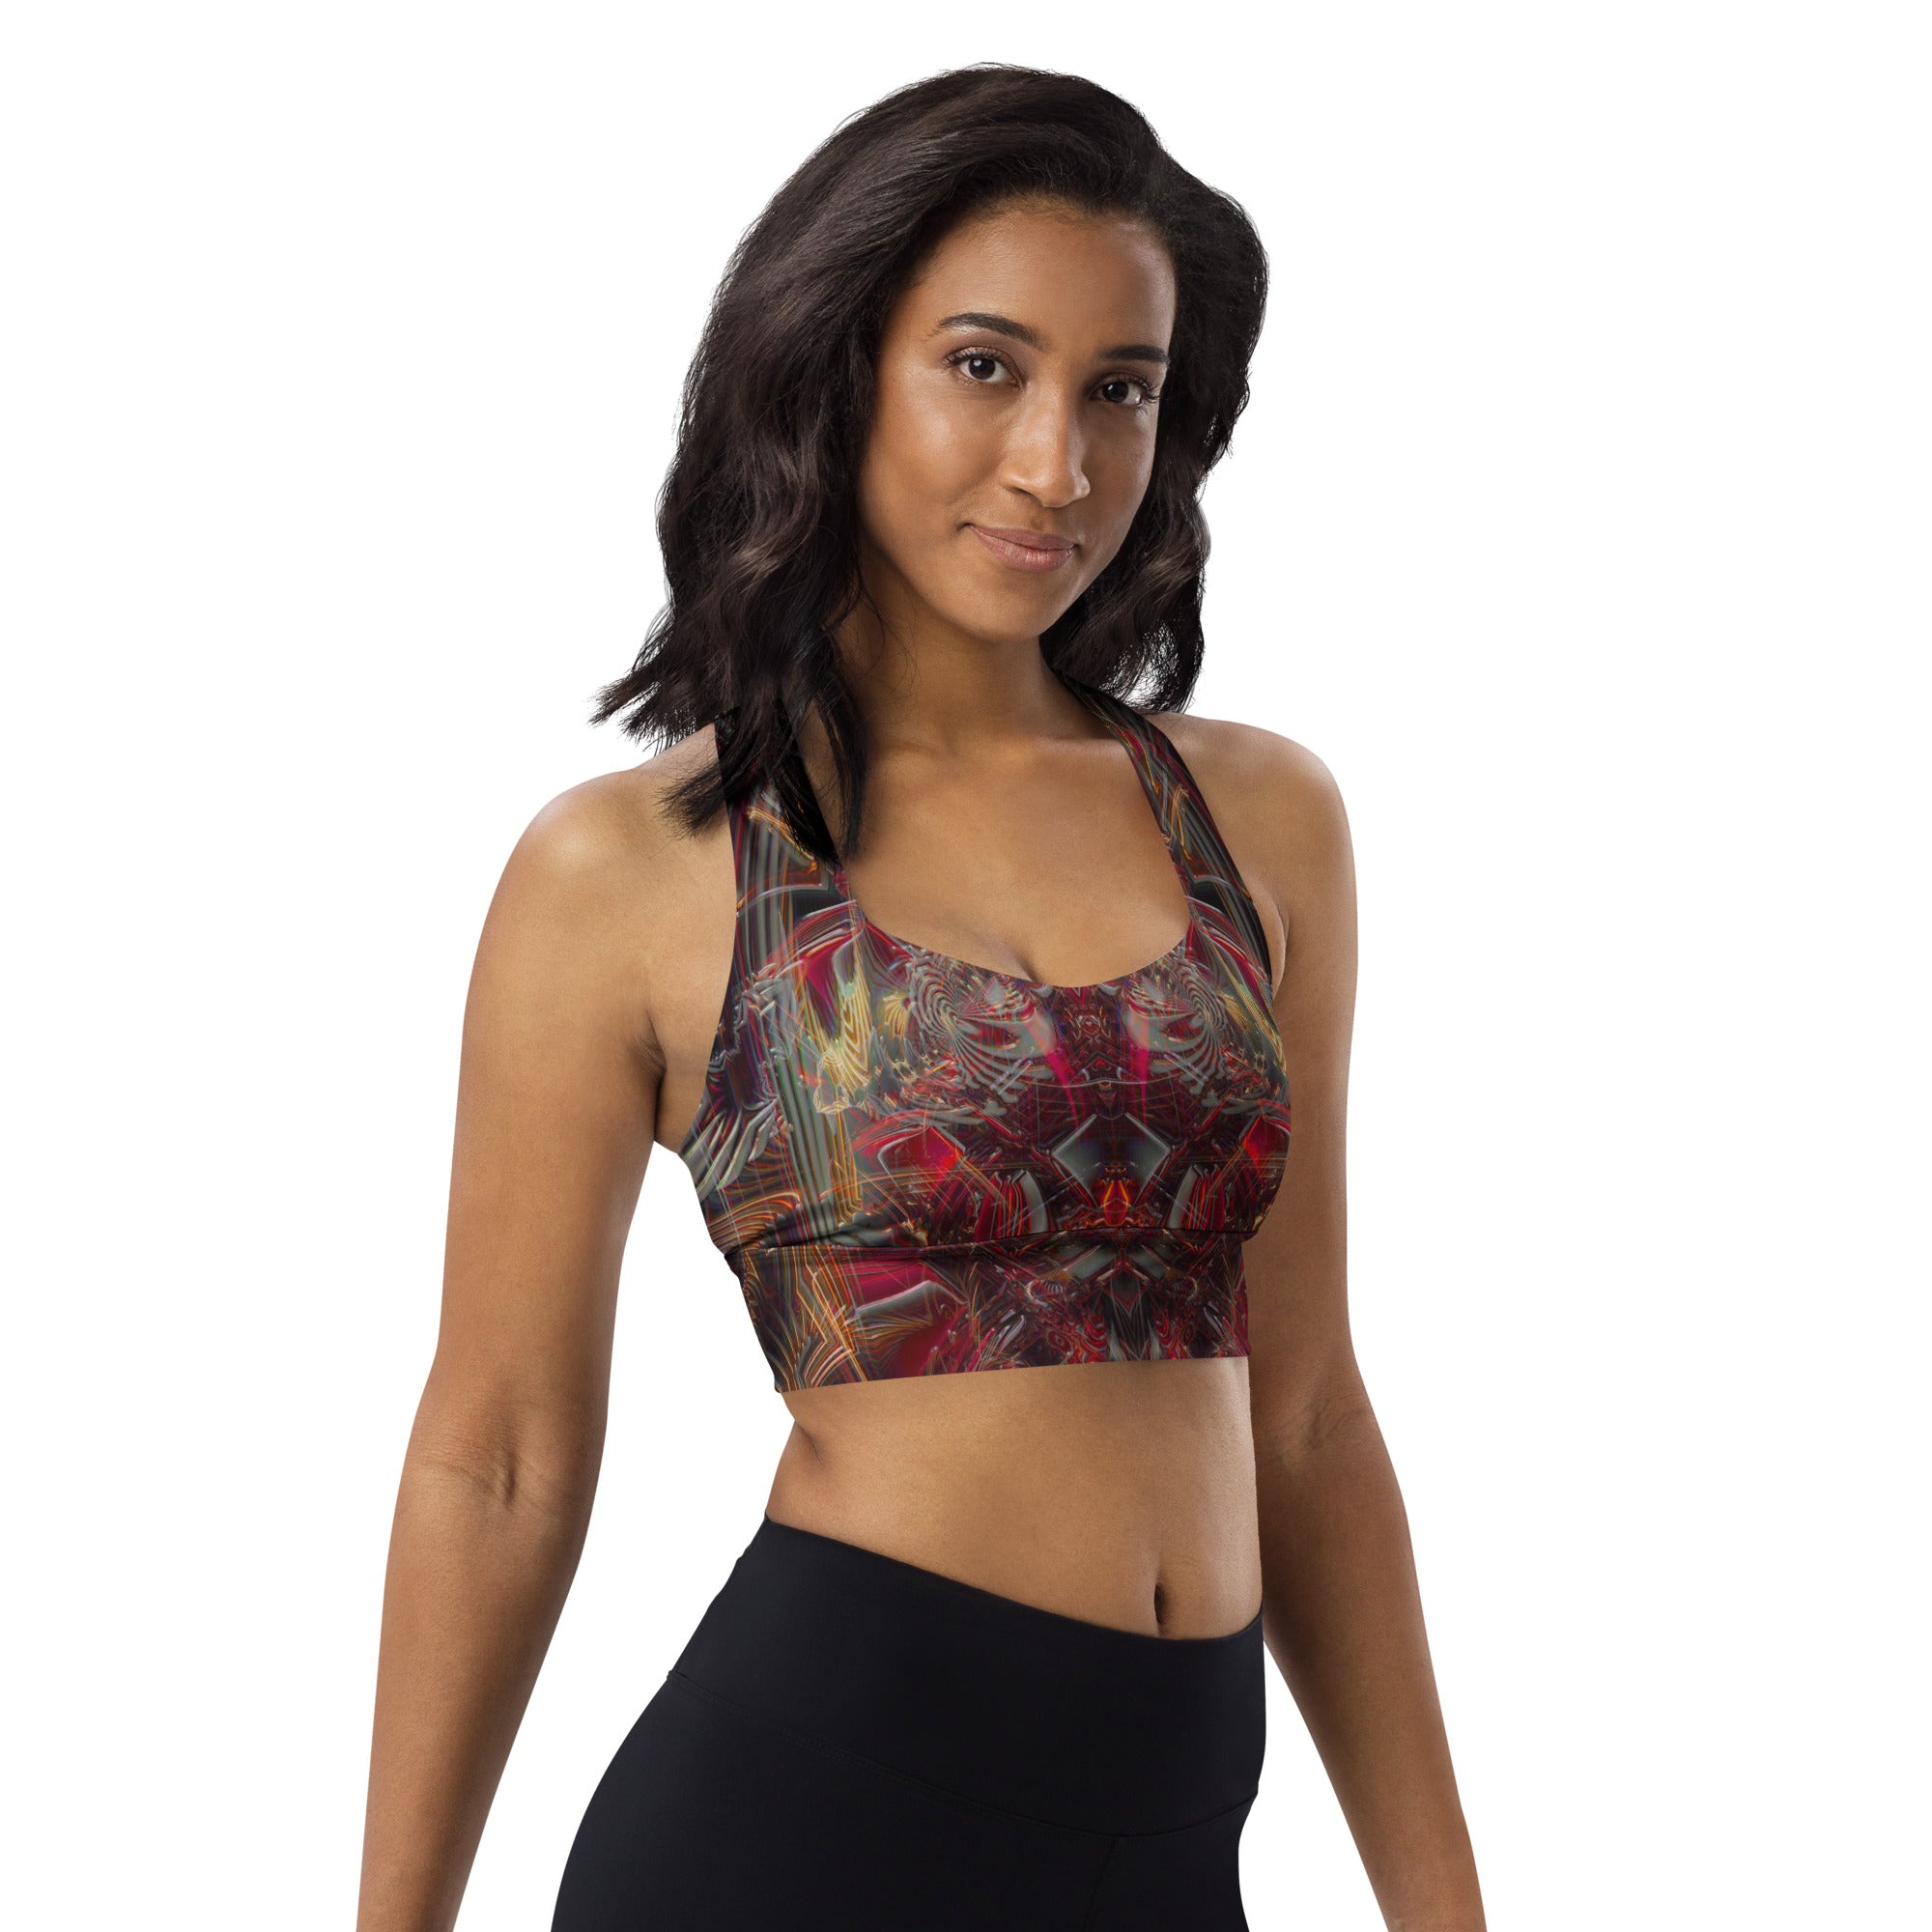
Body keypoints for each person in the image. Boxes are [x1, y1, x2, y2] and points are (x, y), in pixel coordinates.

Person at [356, 64, 1486, 1932]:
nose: (1058, 464)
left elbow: (1307, 1423)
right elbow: (498, 1459)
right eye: (984, 366)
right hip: (803, 1837)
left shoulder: (1259, 820)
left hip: (1171, 1853)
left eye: (1120, 389)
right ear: (836, 370)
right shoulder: (635, 867)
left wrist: (1449, 1911)